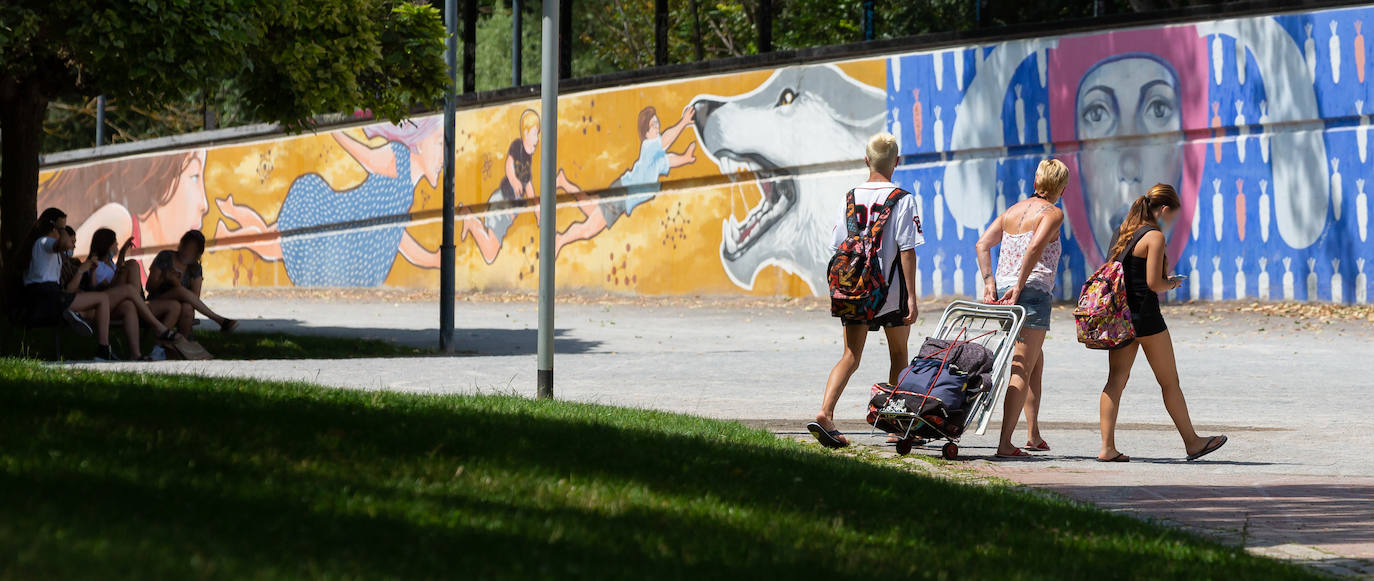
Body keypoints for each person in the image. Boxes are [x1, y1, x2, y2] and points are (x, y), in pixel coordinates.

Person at [213, 119, 445, 285]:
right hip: (335, 219)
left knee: (273, 238)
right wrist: (332, 130)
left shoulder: (407, 185)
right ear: (421, 142)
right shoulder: (397, 158)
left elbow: (395, 235)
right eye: (439, 143)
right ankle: (228, 236)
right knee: (275, 244)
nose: (444, 154)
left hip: (345, 233)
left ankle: (232, 218)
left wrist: (433, 260)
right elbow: (362, 153)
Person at [807, 132, 922, 448]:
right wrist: (912, 297)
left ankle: (825, 412)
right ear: (896, 162)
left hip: (855, 288)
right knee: (898, 352)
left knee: (850, 355)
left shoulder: (849, 197)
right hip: (890, 292)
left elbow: (836, 246)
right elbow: (908, 250)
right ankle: (896, 425)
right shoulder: (902, 198)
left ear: (866, 161)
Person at [1097, 183, 1227, 462]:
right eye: (1172, 215)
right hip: (1147, 318)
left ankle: (1107, 448)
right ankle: (1192, 442)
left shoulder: (1122, 232)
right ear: (1164, 209)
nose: (1171, 222)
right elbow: (1154, 283)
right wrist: (1172, 283)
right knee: (1169, 383)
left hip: (1120, 317)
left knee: (1115, 381)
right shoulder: (1153, 236)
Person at [975, 159, 1068, 458]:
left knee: (1034, 364)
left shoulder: (1013, 211)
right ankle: (1004, 443)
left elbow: (982, 244)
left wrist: (990, 282)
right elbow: (1035, 248)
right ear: (1061, 188)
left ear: (1036, 182)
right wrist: (1021, 283)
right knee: (1021, 368)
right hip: (1031, 293)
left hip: (1005, 292)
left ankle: (1033, 433)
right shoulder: (1053, 213)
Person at [553, 105, 699, 256]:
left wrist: (685, 158)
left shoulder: (655, 158)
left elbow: (668, 160)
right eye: (653, 125)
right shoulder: (649, 147)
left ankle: (564, 182)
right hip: (622, 195)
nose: (657, 127)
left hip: (621, 193)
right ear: (646, 133)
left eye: (657, 123)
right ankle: (560, 239)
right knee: (588, 230)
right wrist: (683, 122)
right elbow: (666, 140)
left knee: (591, 209)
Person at [14, 208, 117, 359]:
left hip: (47, 296)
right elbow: (66, 244)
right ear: (54, 227)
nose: (65, 233)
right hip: (46, 297)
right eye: (63, 228)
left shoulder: (42, 246)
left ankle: (77, 314)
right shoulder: (44, 242)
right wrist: (61, 229)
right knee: (102, 298)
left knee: (93, 310)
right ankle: (103, 349)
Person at [75, 228, 183, 360]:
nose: (116, 246)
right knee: (131, 267)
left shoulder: (111, 264)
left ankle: (137, 354)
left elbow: (116, 273)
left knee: (131, 305)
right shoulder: (96, 264)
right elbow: (95, 288)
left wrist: (122, 254)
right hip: (107, 302)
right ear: (107, 245)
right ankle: (156, 325)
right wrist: (93, 270)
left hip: (123, 301)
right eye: (115, 243)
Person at [461, 110, 541, 264]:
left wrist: (538, 211)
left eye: (537, 134)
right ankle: (470, 220)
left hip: (507, 213)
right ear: (525, 133)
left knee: (491, 253)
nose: (536, 139)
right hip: (501, 204)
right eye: (534, 133)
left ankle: (471, 221)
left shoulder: (527, 158)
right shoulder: (517, 146)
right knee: (490, 254)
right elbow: (509, 164)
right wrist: (513, 180)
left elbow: (528, 184)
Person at [146, 230, 238, 336]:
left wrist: (176, 283)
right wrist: (164, 279)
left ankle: (184, 347)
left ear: (197, 254)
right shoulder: (165, 256)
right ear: (181, 245)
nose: (187, 252)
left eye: (192, 250)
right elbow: (149, 287)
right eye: (186, 247)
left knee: (188, 308)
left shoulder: (195, 269)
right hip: (157, 302)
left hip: (179, 306)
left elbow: (194, 299)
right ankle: (219, 320)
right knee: (180, 291)